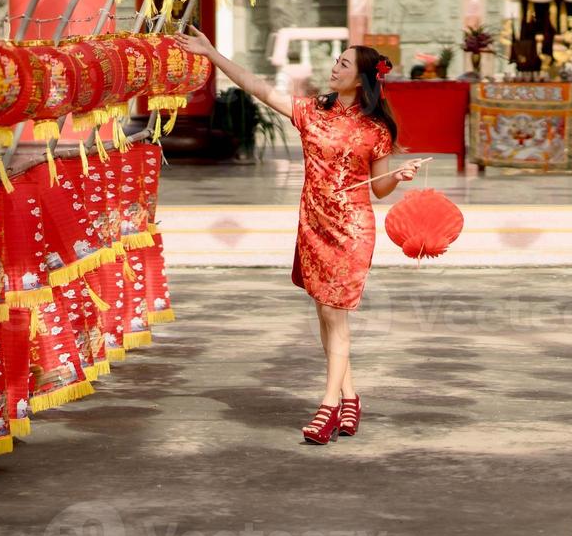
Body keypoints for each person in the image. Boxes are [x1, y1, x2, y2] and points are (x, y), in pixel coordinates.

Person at [173, 29, 425, 444]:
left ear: (361, 79)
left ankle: (327, 406)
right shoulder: (312, 112)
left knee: (334, 315)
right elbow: (256, 86)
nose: (335, 66)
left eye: (343, 63)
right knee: (326, 314)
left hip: (352, 228)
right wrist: (212, 53)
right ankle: (350, 396)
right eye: (337, 61)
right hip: (313, 224)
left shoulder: (376, 129)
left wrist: (399, 175)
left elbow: (378, 190)